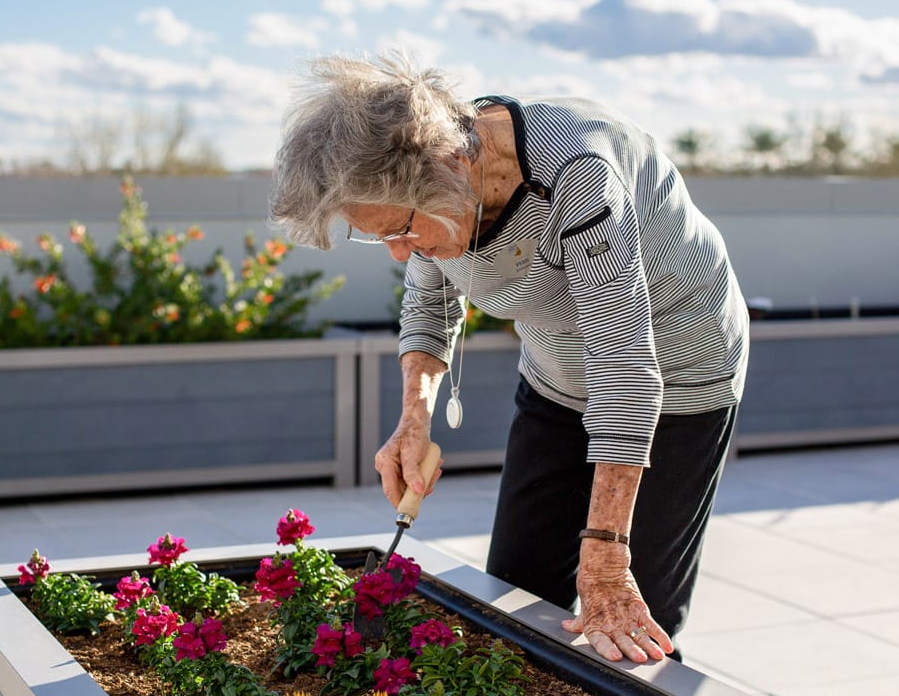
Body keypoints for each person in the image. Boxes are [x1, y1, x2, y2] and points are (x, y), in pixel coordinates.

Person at [271, 53, 749, 664]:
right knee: (515, 598)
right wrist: (413, 421)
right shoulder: (433, 192)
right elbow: (428, 301)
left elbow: (625, 372)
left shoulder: (578, 178)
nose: (397, 252)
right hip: (556, 375)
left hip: (679, 376)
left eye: (402, 229)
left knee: (625, 619)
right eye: (380, 235)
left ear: (453, 168)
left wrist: (603, 554)